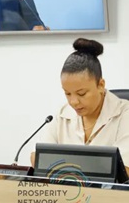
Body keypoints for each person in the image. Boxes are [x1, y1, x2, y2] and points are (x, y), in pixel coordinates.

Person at [31, 38, 129, 173]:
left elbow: (125, 169)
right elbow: (37, 158)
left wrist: (64, 166)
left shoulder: (125, 114)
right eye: (68, 94)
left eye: (81, 94)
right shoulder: (62, 113)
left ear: (101, 85)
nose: (73, 102)